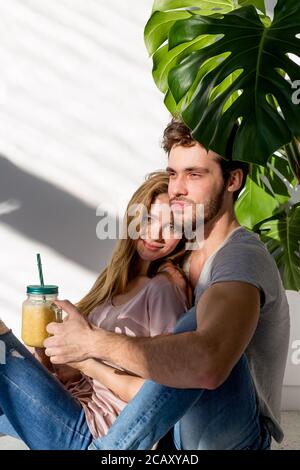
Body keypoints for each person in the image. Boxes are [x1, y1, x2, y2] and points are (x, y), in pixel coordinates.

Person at [43, 119, 290, 450]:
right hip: (179, 432)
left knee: (193, 328)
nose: (178, 188)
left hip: (236, 437)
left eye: (194, 174)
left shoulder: (240, 256)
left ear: (232, 180)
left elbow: (207, 365)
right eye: (173, 174)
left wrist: (92, 344)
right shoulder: (182, 262)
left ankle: (110, 452)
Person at [0, 171, 192, 449]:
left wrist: (85, 361)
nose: (156, 234)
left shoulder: (162, 289)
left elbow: (161, 395)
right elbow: (82, 375)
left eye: (172, 226)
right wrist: (51, 355)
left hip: (93, 433)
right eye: (149, 219)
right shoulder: (113, 282)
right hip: (73, 403)